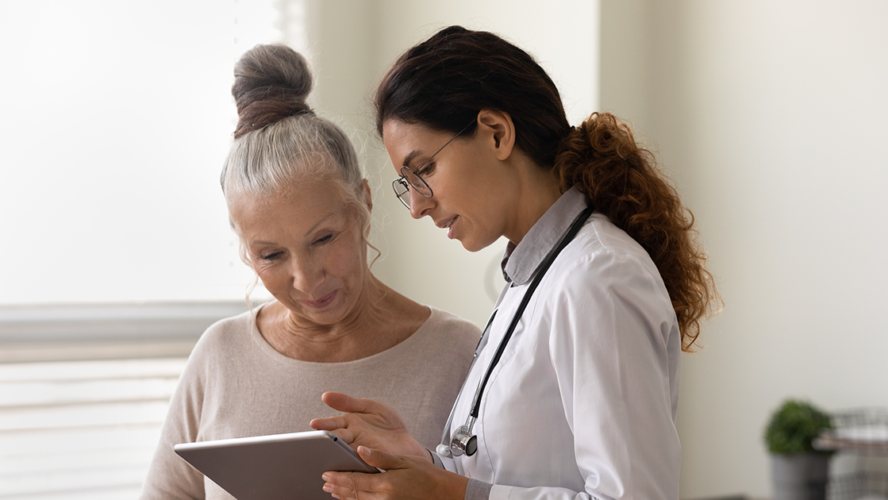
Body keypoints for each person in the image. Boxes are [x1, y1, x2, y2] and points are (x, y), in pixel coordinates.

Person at [311, 26, 721, 500]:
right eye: (408, 184)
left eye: (423, 170)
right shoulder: (536, 276)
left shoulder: (598, 278)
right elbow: (522, 468)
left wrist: (453, 494)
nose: (418, 206)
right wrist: (424, 463)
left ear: (497, 133)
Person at [139, 44, 481, 500]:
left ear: (364, 201)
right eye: (271, 256)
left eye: (323, 240)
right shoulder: (219, 356)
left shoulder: (460, 354)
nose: (305, 280)